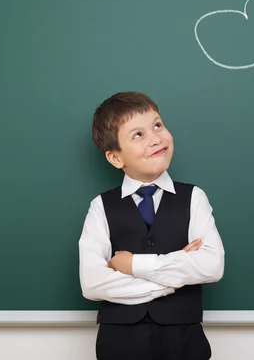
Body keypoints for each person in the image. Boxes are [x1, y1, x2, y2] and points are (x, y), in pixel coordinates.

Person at [78, 91, 225, 360]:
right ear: (115, 158)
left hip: (185, 342)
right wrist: (175, 279)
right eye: (138, 135)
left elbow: (211, 266)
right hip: (119, 345)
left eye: (157, 125)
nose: (156, 138)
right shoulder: (101, 206)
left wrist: (133, 265)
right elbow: (93, 284)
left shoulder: (194, 198)